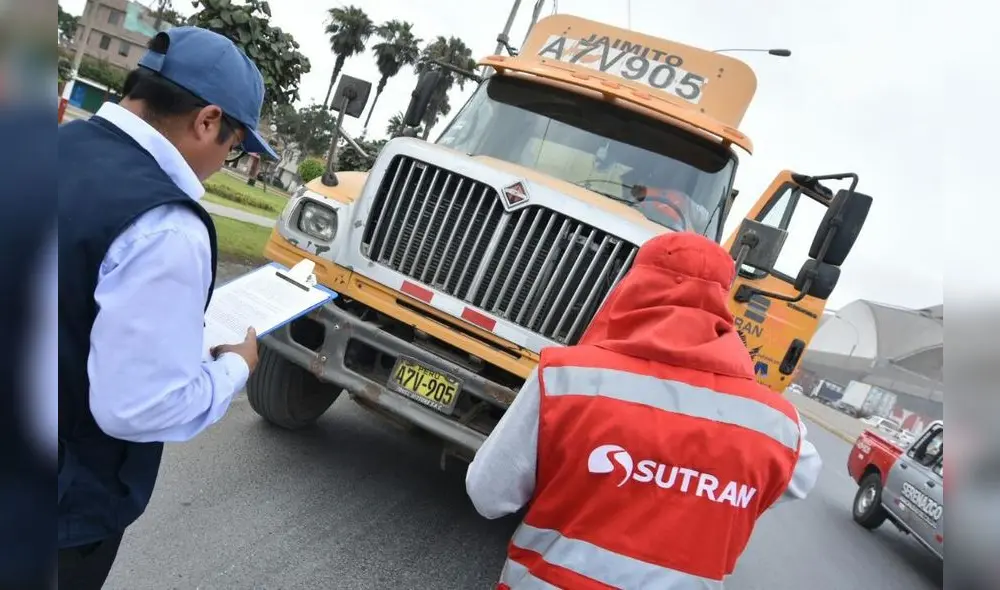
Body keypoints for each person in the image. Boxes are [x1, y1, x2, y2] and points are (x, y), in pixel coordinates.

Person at [466, 231, 821, 589]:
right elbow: (800, 476)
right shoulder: (777, 427)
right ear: (722, 304)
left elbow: (489, 495)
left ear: (634, 285)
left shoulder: (564, 378)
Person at [57, 27, 276, 589]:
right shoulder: (166, 226)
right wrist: (235, 368)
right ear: (207, 121)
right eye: (237, 146)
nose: (229, 160)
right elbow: (136, 408)